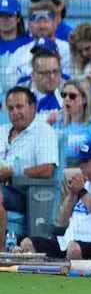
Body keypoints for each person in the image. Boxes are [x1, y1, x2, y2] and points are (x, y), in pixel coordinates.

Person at [0, 86, 57, 237]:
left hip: (26, 193)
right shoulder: (2, 131)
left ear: (33, 107)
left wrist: (13, 172)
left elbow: (47, 170)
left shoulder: (43, 132)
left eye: (19, 106)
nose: (15, 112)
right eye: (11, 108)